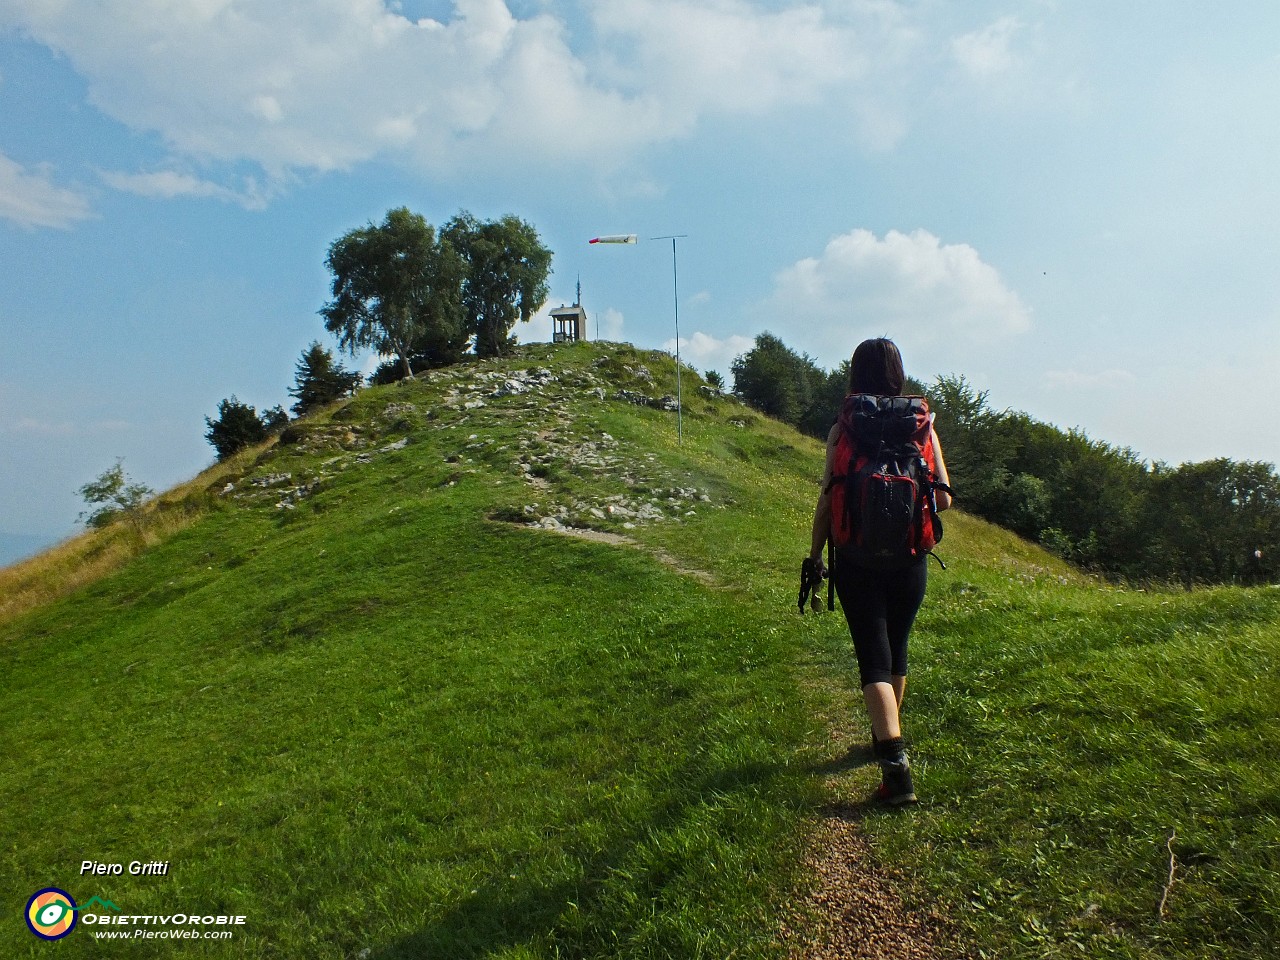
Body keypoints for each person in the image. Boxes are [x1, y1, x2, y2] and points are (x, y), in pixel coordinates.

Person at [807, 338, 952, 805]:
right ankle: (884, 740)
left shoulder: (843, 429)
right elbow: (945, 498)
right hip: (910, 559)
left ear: (855, 375)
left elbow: (829, 501)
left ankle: (896, 772)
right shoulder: (922, 427)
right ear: (897, 373)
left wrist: (816, 556)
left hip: (855, 558)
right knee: (898, 651)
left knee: (873, 657)